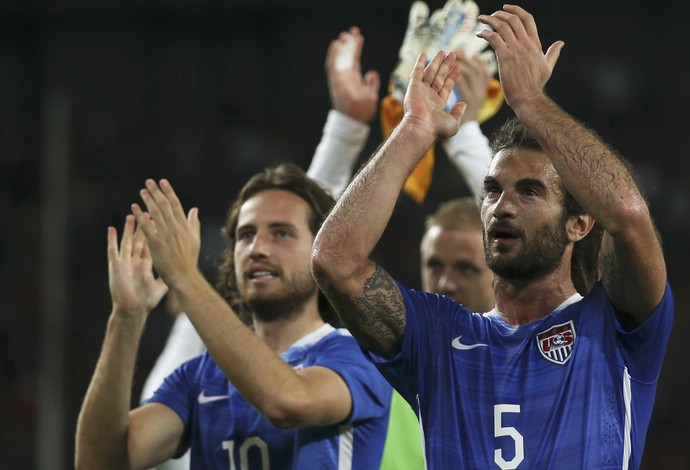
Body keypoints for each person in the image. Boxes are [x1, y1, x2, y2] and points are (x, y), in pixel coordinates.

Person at [311, 5, 673, 469]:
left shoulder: (616, 327)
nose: (502, 205)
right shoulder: (438, 337)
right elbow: (333, 261)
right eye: (492, 191)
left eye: (529, 191)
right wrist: (414, 130)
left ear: (579, 224)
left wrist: (531, 103)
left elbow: (627, 214)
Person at [75, 164, 394, 469]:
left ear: (319, 254)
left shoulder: (361, 356)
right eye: (246, 235)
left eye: (281, 233)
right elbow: (99, 462)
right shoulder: (199, 377)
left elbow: (287, 401)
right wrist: (126, 318)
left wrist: (186, 278)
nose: (257, 248)